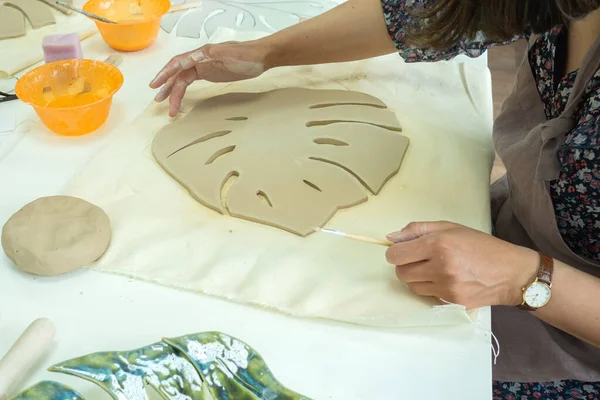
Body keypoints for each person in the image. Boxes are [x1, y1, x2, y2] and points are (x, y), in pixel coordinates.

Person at [150, 0, 600, 397]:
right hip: (511, 234)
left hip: (572, 338)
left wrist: (524, 277)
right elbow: (435, 13)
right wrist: (266, 52)